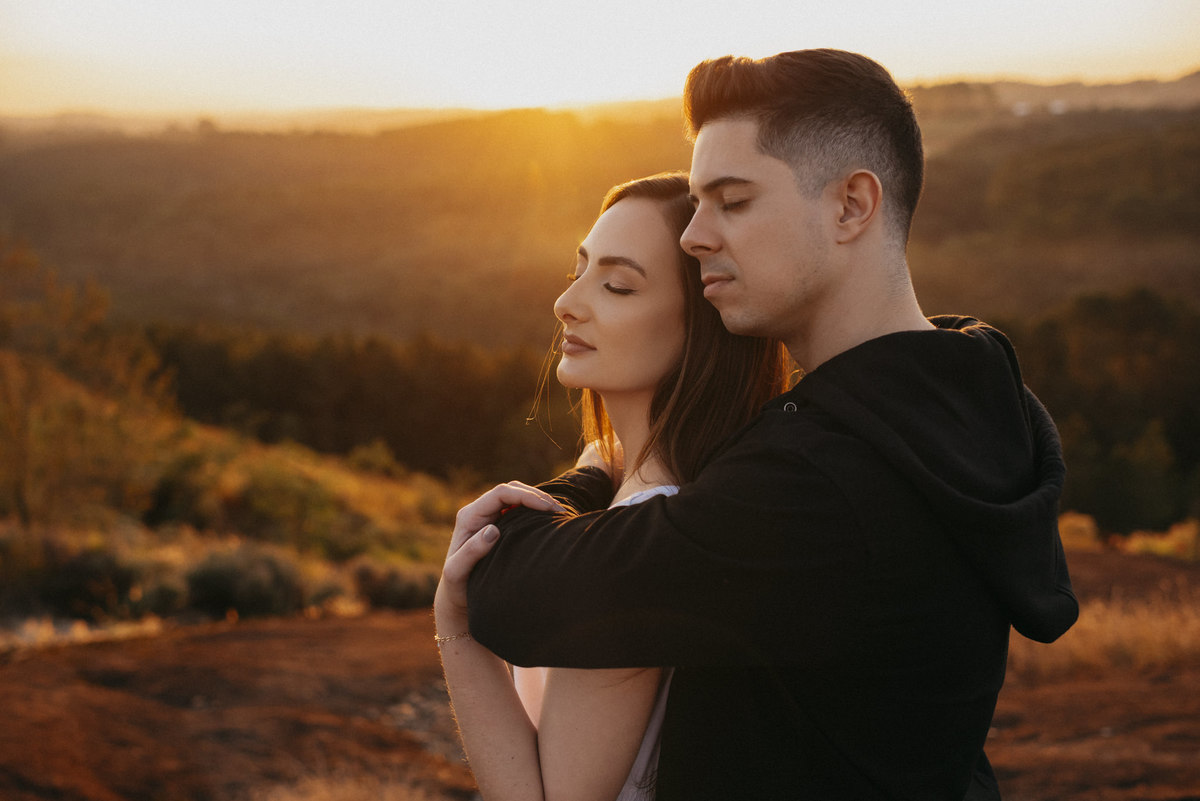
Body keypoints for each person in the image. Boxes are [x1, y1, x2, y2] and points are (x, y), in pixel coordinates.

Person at [452, 49, 1080, 800]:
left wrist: (571, 488)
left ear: (852, 205)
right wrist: (610, 462)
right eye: (697, 200)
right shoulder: (954, 397)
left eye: (734, 200)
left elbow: (520, 590)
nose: (693, 236)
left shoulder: (816, 484)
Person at [434, 172, 792, 800]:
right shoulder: (673, 494)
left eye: (618, 285)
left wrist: (456, 628)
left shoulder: (639, 548)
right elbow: (610, 450)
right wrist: (601, 465)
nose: (567, 303)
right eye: (578, 270)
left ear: (703, 326)